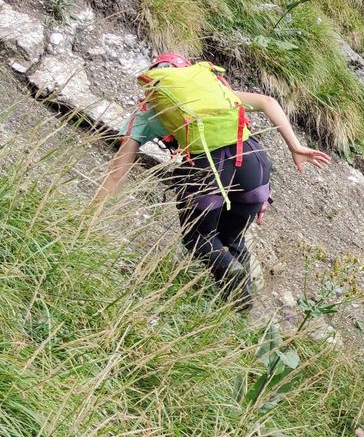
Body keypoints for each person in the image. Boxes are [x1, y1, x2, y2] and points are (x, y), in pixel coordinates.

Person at [93, 53, 331, 303]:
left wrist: (91, 216)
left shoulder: (149, 111)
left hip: (207, 169)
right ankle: (240, 306)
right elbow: (268, 101)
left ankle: (232, 275)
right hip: (254, 164)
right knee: (233, 236)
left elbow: (118, 172)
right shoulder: (217, 91)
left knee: (198, 237)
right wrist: (295, 147)